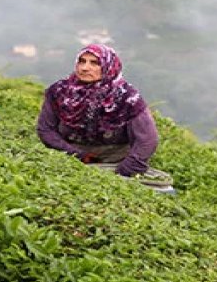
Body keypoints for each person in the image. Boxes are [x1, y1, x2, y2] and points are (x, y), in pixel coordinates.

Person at [37, 44, 175, 194]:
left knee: (162, 191)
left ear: (109, 66)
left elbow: (147, 140)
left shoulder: (127, 97)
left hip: (116, 162)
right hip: (70, 158)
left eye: (94, 63)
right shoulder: (59, 92)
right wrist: (77, 155)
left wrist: (123, 172)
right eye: (81, 61)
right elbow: (45, 129)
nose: (85, 68)